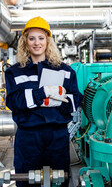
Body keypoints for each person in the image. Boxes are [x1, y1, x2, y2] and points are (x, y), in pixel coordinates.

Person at [5, 16, 83, 187]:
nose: (36, 43)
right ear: (25, 42)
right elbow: (13, 101)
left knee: (58, 180)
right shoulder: (15, 72)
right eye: (31, 38)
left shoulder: (65, 71)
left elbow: (76, 98)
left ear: (48, 41)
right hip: (28, 137)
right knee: (26, 181)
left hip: (57, 136)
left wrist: (60, 100)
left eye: (41, 38)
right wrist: (43, 93)